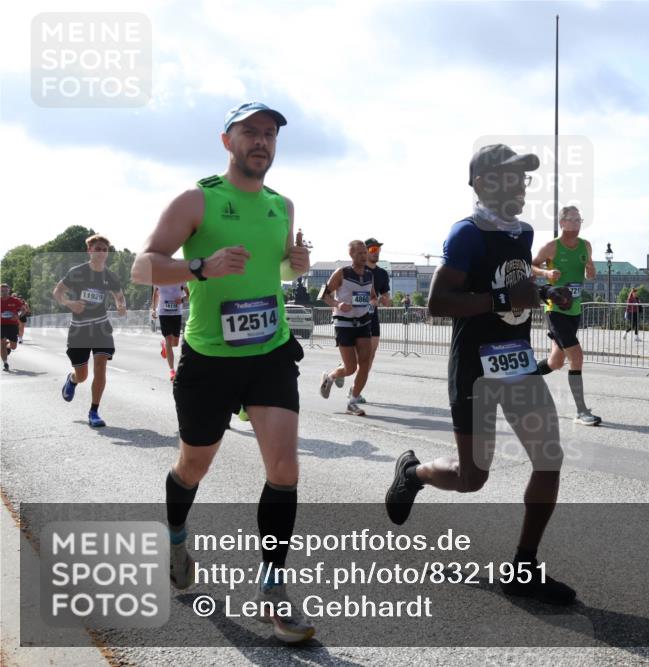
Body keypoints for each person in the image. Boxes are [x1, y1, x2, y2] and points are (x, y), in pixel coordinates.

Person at [130, 102, 314, 643]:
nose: (262, 141)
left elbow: (273, 264)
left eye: (270, 134)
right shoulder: (197, 199)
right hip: (209, 358)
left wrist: (293, 266)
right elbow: (144, 264)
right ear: (226, 140)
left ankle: (273, 591)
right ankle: (177, 535)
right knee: (193, 465)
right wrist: (199, 267)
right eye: (250, 133)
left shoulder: (284, 204)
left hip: (270, 352)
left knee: (285, 469)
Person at [384, 143, 577, 606]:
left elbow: (514, 279)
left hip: (516, 360)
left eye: (523, 180)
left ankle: (524, 568)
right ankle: (413, 472)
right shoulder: (466, 233)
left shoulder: (523, 232)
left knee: (548, 459)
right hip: (474, 367)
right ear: (483, 183)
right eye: (510, 179)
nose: (520, 188)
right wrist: (505, 301)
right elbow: (438, 303)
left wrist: (550, 293)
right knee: (473, 479)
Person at [531, 205, 601, 426]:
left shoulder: (585, 246)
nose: (576, 224)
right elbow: (530, 266)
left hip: (574, 310)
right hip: (555, 309)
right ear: (562, 223)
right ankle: (581, 411)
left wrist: (591, 271)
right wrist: (546, 273)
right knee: (577, 357)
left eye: (579, 220)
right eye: (572, 220)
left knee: (555, 362)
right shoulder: (551, 247)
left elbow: (590, 273)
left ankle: (519, 382)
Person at [53, 235, 127, 427]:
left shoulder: (110, 276)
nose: (102, 252)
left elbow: (119, 296)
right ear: (89, 250)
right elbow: (57, 293)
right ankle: (72, 379)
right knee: (83, 375)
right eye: (98, 248)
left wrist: (121, 306)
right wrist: (70, 303)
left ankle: (94, 412)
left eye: (105, 249)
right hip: (79, 330)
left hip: (102, 326)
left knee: (101, 366)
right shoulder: (77, 272)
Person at [319, 240, 376, 416]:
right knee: (350, 368)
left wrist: (372, 302)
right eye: (359, 253)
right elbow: (324, 295)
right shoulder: (342, 273)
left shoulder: (369, 275)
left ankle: (353, 401)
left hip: (363, 322)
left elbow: (373, 296)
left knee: (365, 363)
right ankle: (330, 377)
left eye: (365, 252)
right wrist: (338, 303)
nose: (363, 255)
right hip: (343, 323)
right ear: (350, 254)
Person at [353, 237, 391, 404]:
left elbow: (386, 296)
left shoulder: (382, 274)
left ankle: (355, 390)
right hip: (354, 317)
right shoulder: (356, 270)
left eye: (378, 250)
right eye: (373, 250)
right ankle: (342, 370)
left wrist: (385, 300)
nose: (376, 253)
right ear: (365, 252)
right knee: (354, 360)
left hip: (372, 318)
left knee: (370, 355)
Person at [152, 283, 189, 381]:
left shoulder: (181, 278)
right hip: (163, 313)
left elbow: (189, 295)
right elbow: (156, 294)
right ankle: (172, 371)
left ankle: (165, 345)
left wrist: (181, 300)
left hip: (177, 313)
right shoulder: (158, 278)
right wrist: (154, 310)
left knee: (175, 343)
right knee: (168, 339)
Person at [1, 284, 27, 372]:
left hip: (12, 325)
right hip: (1, 325)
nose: (3, 292)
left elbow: (24, 309)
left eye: (5, 290)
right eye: (2, 290)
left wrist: (18, 316)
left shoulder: (15, 300)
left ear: (9, 290)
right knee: (1, 344)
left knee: (13, 347)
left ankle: (8, 346)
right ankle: (5, 363)